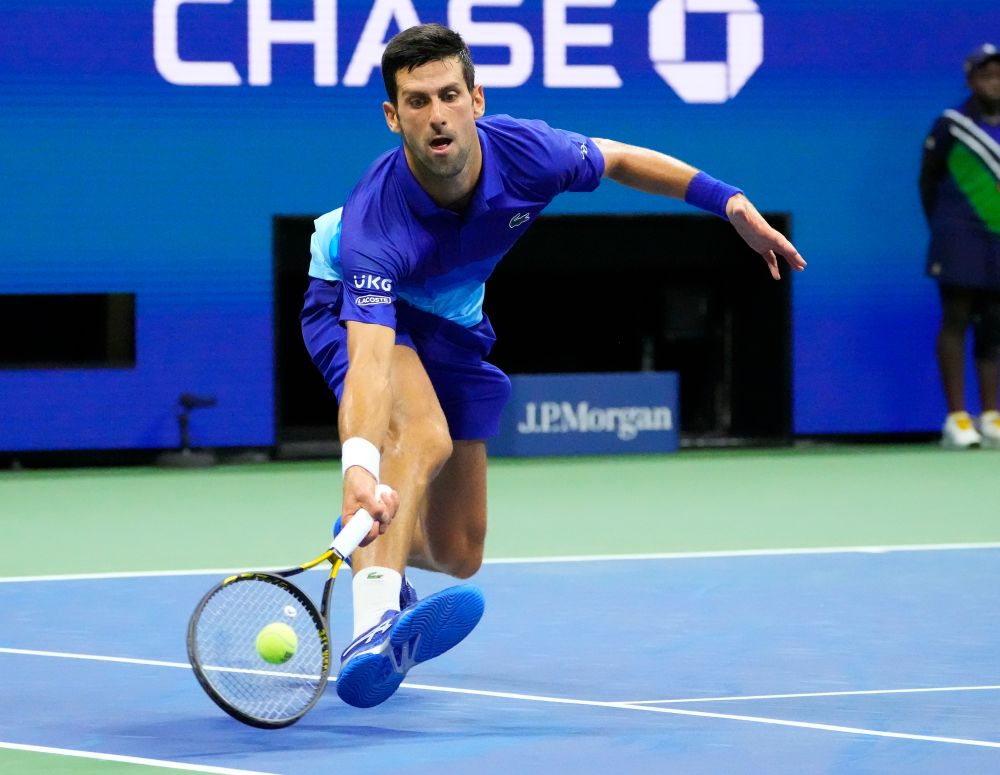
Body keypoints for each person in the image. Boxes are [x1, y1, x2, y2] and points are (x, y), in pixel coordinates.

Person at [300, 23, 806, 709]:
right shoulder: (373, 225)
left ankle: (365, 543)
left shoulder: (529, 152)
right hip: (355, 307)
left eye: (449, 94)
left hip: (451, 318)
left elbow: (622, 159)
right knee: (420, 436)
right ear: (394, 116)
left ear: (477, 99)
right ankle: (372, 626)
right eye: (417, 102)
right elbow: (368, 362)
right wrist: (358, 464)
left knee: (459, 552)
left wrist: (729, 202)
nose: (437, 114)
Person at [920, 43, 1000, 448]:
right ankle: (957, 419)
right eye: (986, 74)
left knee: (995, 326)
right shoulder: (951, 125)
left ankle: (991, 415)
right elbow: (928, 183)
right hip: (959, 237)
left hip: (998, 240)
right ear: (970, 79)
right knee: (957, 318)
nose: (995, 81)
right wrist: (948, 229)